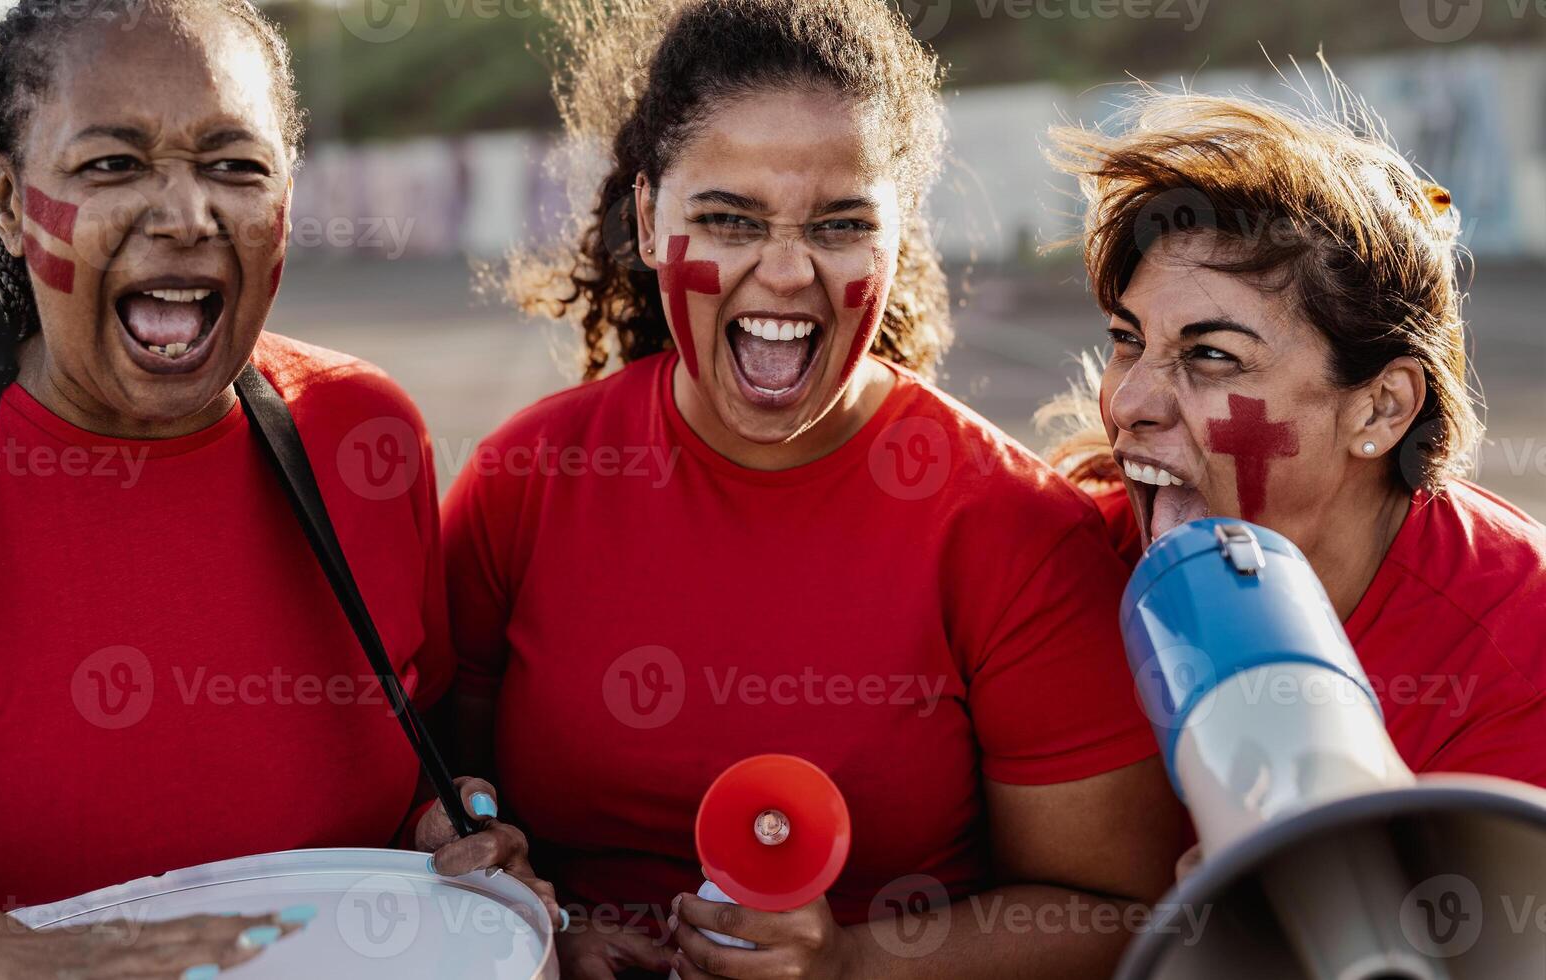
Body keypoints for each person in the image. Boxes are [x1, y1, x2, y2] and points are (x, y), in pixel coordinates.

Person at [442, 1, 1185, 978]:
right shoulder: (524, 482)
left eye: (839, 224)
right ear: (647, 221)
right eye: (726, 218)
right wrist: (538, 922)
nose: (784, 272)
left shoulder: (1012, 530)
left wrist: (850, 961)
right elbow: (447, 801)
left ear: (895, 237)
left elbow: (1120, 911)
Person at [0, 3, 543, 976]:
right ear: (5, 196)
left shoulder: (366, 435)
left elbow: (411, 766)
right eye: (112, 164)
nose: (186, 215)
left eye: (236, 166)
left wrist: (445, 837)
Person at [1038, 77, 1546, 793]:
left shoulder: (1522, 637)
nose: (1128, 402)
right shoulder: (1059, 569)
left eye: (1211, 354)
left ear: (1380, 409)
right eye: (1128, 339)